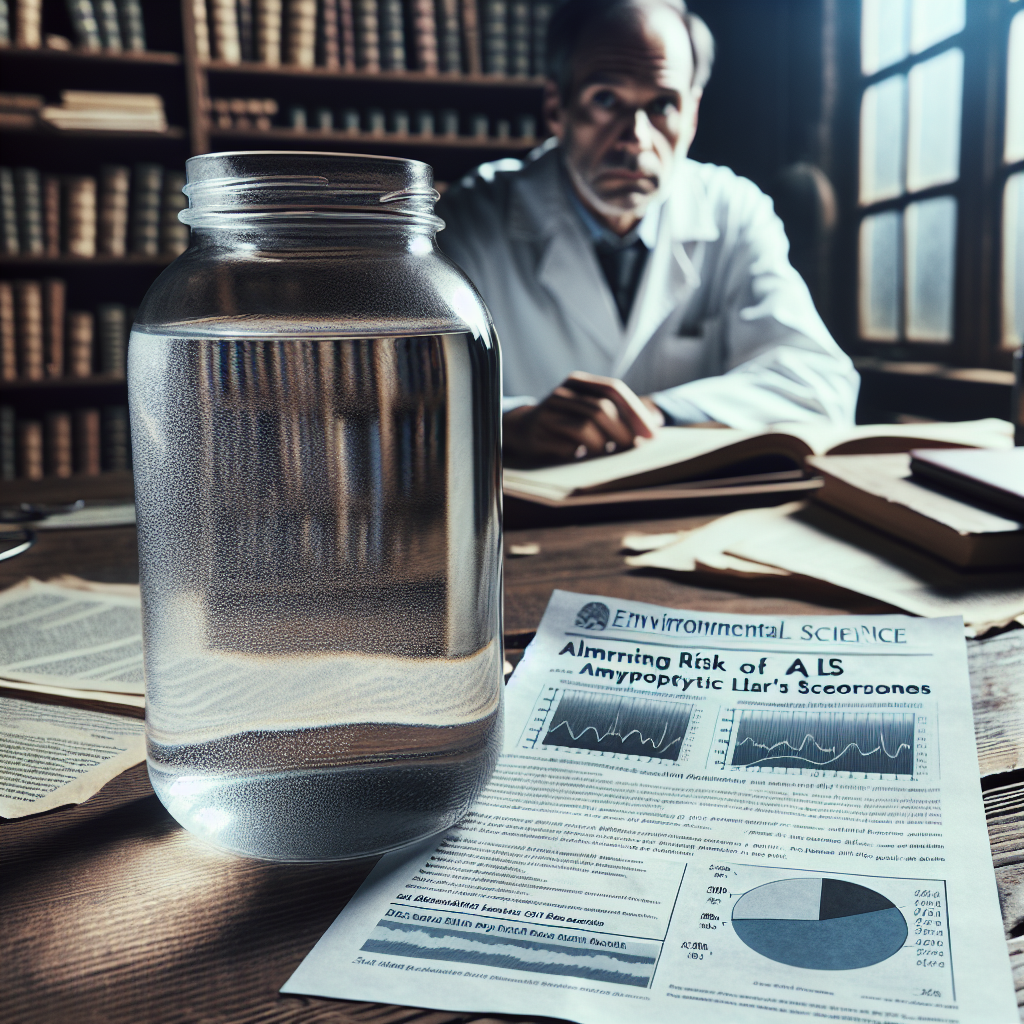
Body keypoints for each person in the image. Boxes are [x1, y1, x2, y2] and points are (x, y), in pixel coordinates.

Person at [435, 0, 860, 466]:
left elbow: (820, 386)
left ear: (692, 114)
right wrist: (513, 423)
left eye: (662, 105)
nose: (636, 137)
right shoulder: (474, 216)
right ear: (557, 106)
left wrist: (656, 414)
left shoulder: (734, 210)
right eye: (606, 99)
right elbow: (416, 400)